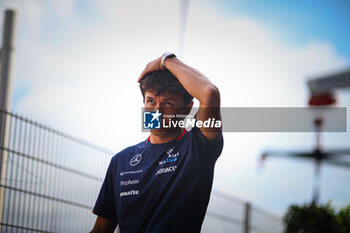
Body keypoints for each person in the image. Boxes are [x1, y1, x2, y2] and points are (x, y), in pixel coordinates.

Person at [90, 53, 224, 233]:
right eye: (150, 101)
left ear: (187, 108)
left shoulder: (197, 146)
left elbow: (209, 93)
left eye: (167, 103)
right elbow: (100, 230)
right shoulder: (120, 161)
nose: (157, 111)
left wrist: (166, 60)